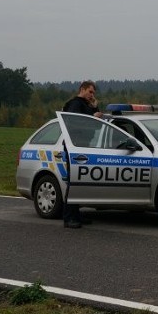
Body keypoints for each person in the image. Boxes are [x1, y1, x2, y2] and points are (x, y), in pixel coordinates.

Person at [61, 80, 101, 228]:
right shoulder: (75, 104)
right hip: (74, 147)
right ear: (82, 89)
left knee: (78, 181)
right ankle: (68, 217)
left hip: (82, 146)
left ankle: (76, 214)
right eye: (90, 92)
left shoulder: (85, 105)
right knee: (73, 181)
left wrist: (95, 107)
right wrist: (93, 117)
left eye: (94, 93)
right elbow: (75, 122)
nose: (92, 95)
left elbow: (94, 125)